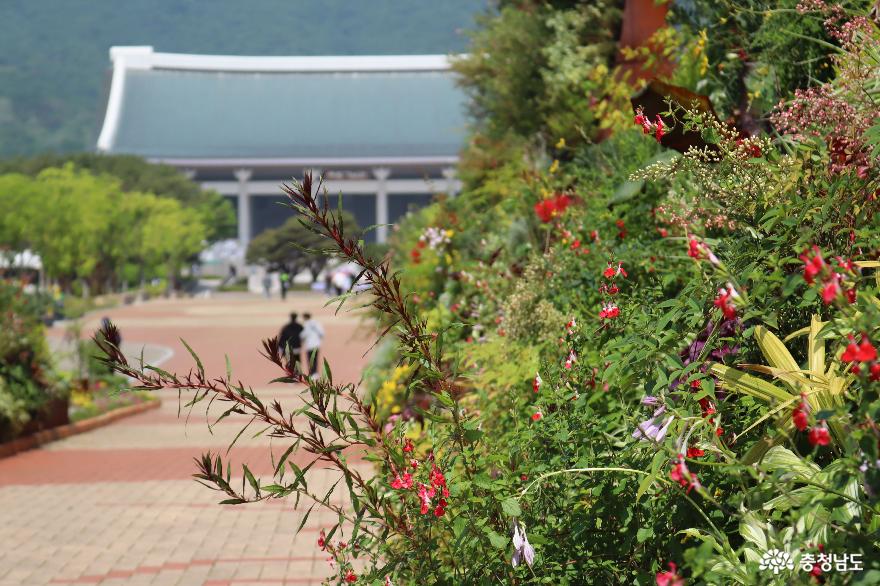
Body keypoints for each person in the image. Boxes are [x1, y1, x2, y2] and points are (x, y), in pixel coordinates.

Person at [300, 312, 325, 378]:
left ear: (304, 317)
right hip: (316, 344)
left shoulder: (305, 325)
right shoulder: (316, 323)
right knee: (315, 359)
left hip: (309, 345)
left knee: (310, 360)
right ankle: (315, 373)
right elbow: (322, 333)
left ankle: (312, 373)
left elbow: (303, 335)